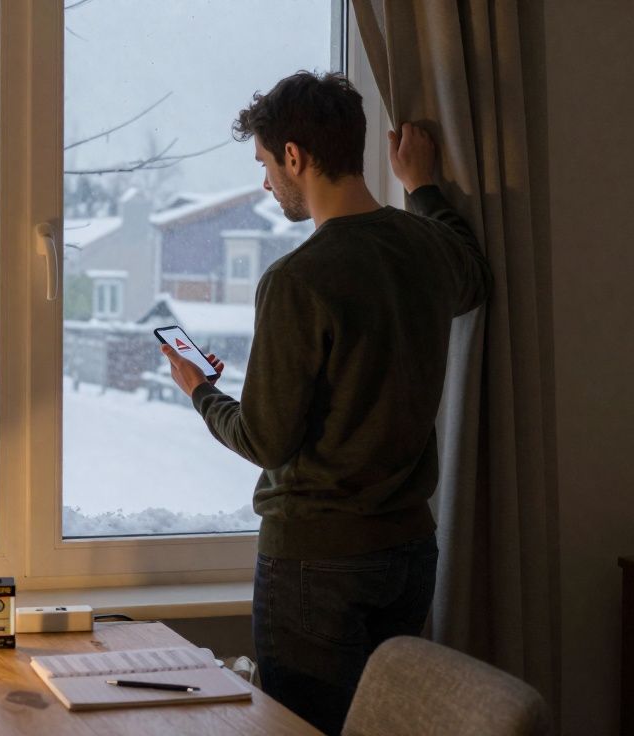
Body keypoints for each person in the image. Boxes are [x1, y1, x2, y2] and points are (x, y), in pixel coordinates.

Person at [158, 71, 491, 735]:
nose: (265, 184)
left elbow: (265, 440)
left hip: (316, 564)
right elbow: (474, 277)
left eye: (264, 164)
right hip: (409, 552)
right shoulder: (425, 247)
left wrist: (200, 391)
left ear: (294, 156)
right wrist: (423, 187)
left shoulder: (297, 279)